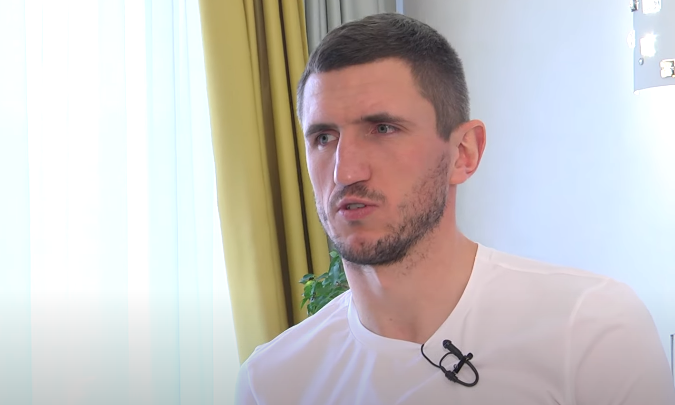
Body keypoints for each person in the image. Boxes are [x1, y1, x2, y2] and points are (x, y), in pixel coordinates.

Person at [235, 12, 675, 405]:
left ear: (464, 152)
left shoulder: (590, 330)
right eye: (323, 138)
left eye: (383, 129)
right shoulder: (273, 382)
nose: (345, 171)